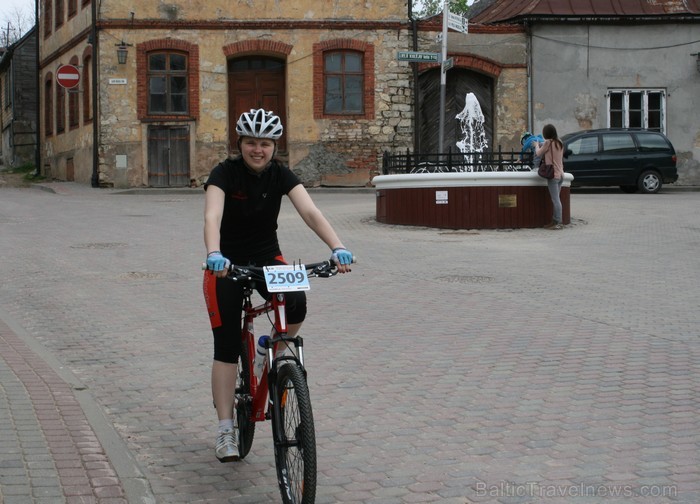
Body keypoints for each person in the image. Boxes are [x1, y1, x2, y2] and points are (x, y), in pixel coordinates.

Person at [202, 109, 353, 462]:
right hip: (227, 265)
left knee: (297, 304)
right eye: (251, 143)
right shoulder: (225, 173)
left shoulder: (281, 174)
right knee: (225, 345)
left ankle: (267, 352)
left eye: (265, 144)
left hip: (268, 259)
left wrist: (338, 246)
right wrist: (214, 252)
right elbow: (212, 215)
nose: (258, 150)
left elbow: (311, 212)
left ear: (274, 146)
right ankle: (226, 429)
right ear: (240, 144)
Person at [535, 124, 565, 230]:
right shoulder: (559, 142)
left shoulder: (548, 142)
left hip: (553, 175)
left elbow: (538, 153)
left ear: (546, 133)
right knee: (557, 199)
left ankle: (557, 222)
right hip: (561, 174)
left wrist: (536, 145)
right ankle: (557, 222)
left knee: (555, 200)